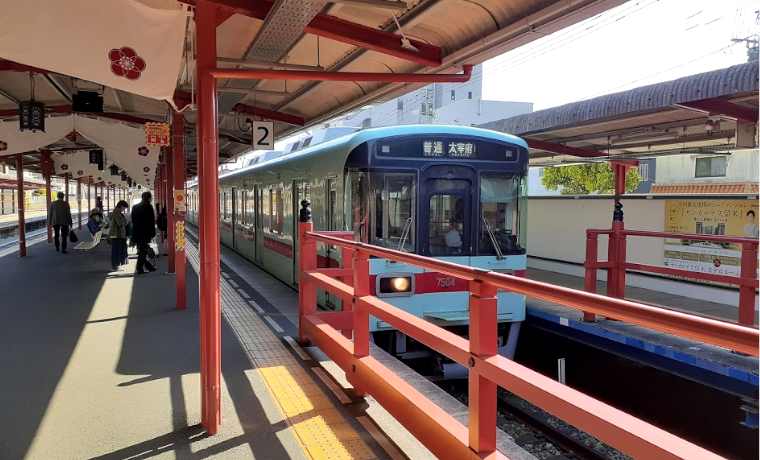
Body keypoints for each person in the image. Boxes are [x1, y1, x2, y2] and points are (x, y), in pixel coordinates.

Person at [131, 191, 157, 274]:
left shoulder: (135, 207)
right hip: (145, 233)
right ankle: (139, 269)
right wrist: (152, 233)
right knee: (143, 251)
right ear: (149, 198)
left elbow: (133, 220)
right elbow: (151, 222)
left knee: (142, 250)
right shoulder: (148, 207)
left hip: (136, 232)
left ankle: (148, 266)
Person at [108, 200, 129, 271]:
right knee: (117, 250)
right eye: (124, 208)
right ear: (121, 206)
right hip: (117, 234)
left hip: (116, 234)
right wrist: (126, 221)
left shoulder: (115, 212)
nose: (124, 210)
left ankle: (116, 265)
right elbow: (120, 223)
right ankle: (115, 265)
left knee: (116, 250)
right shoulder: (117, 213)